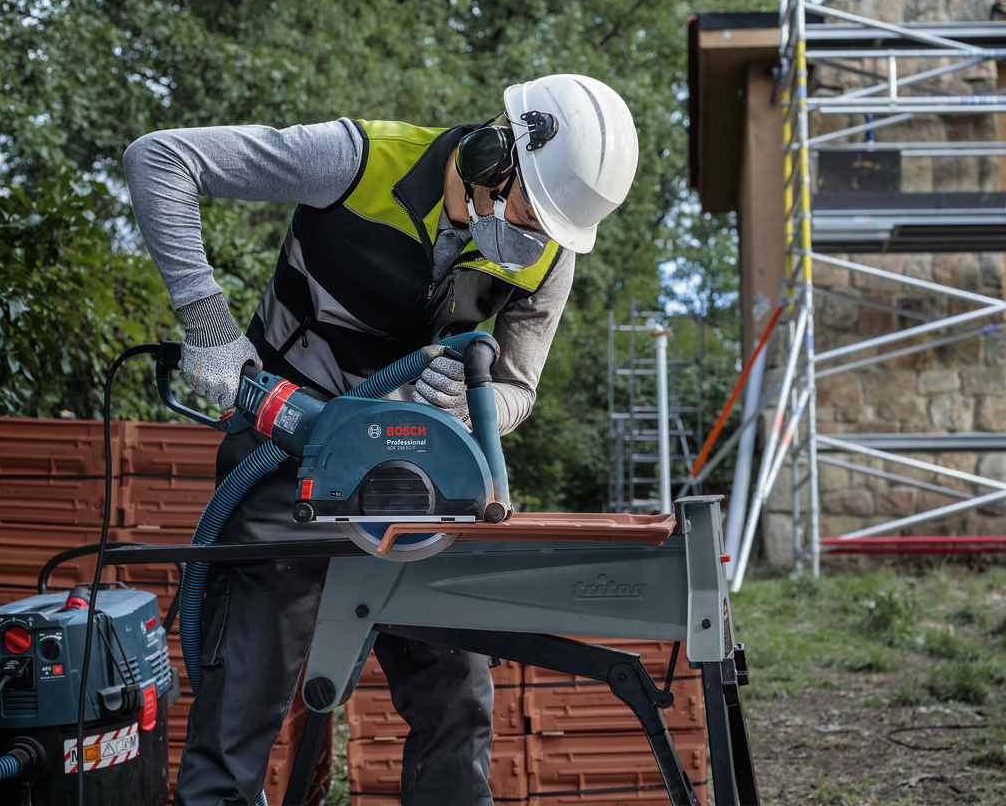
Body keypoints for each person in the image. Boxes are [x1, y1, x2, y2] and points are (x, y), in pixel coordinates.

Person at [124, 74, 638, 806]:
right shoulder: (357, 161)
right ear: (495, 150)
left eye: (551, 227)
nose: (533, 237)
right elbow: (159, 158)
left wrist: (472, 406)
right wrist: (208, 322)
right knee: (240, 705)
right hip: (285, 459)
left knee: (457, 695)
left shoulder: (550, 251)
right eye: (531, 210)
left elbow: (518, 389)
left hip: (415, 483)